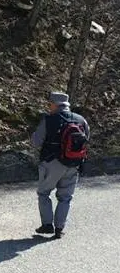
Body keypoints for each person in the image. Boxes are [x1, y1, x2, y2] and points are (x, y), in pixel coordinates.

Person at [31, 92, 90, 239]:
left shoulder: (49, 120)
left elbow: (35, 142)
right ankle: (59, 229)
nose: (48, 107)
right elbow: (86, 138)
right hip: (74, 163)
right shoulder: (80, 120)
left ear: (54, 104)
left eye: (49, 104)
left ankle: (46, 225)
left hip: (51, 163)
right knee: (65, 197)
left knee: (44, 193)